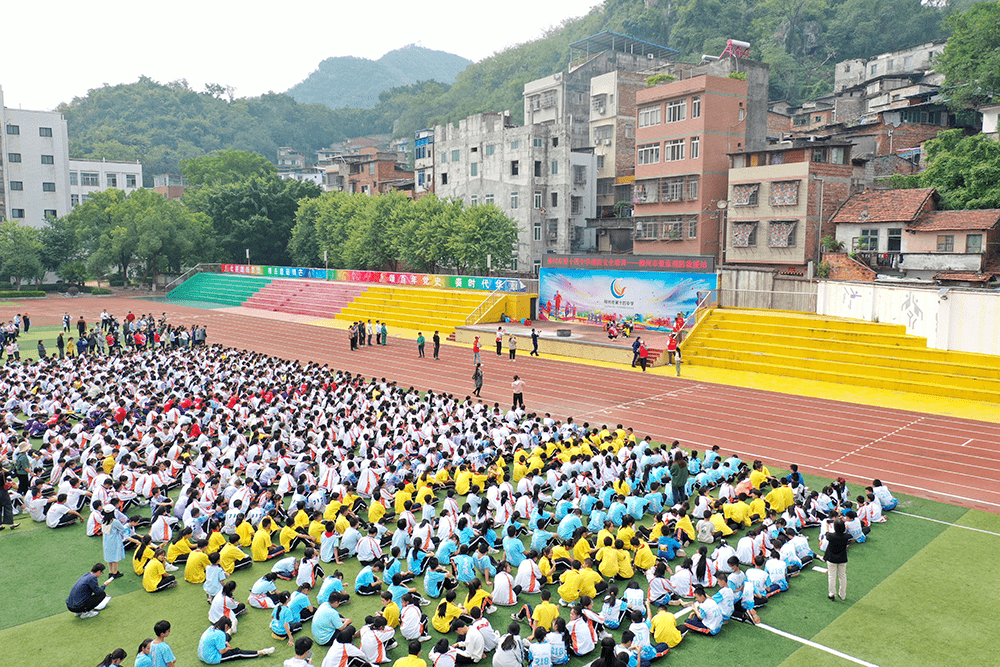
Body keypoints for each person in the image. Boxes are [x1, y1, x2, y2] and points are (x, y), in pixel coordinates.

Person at [198, 616, 275, 663]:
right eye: (227, 628)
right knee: (237, 653)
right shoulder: (220, 634)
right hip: (211, 658)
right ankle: (261, 652)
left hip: (202, 655)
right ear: (226, 626)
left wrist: (225, 642)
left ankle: (232, 630)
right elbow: (221, 651)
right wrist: (227, 648)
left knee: (225, 637)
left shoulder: (211, 628)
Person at [824, 518, 850, 601]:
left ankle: (832, 593)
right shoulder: (846, 536)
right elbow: (848, 534)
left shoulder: (831, 536)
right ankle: (843, 594)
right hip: (842, 558)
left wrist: (827, 526)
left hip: (831, 558)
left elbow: (826, 533)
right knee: (842, 576)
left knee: (832, 576)